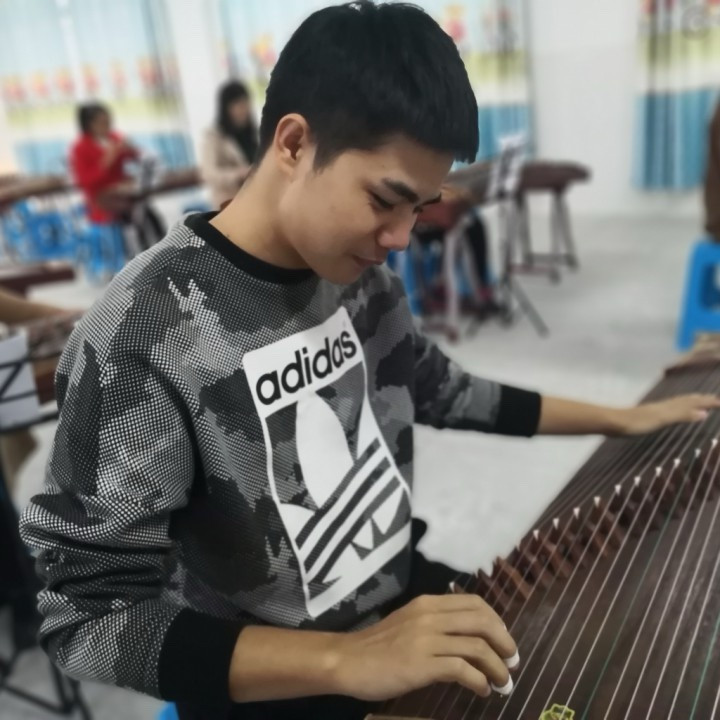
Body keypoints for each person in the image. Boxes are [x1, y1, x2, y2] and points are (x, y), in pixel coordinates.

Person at [19, 4, 720, 720]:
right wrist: (349, 660)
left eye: (420, 208)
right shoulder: (143, 330)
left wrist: (623, 418)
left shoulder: (359, 278)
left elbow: (445, 389)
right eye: (386, 200)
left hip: (396, 591)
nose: (402, 238)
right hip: (276, 679)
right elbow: (86, 619)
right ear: (294, 143)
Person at [70, 103, 165, 267]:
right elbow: (85, 181)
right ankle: (138, 255)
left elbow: (136, 157)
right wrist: (107, 160)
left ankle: (159, 249)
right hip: (100, 198)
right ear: (90, 124)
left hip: (122, 192)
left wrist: (132, 149)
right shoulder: (80, 147)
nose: (108, 126)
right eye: (103, 122)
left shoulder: (113, 137)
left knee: (145, 210)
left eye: (109, 121)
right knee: (134, 214)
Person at [201, 80, 258, 209]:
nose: (244, 109)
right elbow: (209, 174)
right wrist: (239, 174)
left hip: (255, 199)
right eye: (238, 104)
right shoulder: (213, 136)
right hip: (229, 203)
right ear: (226, 108)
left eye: (246, 103)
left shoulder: (252, 132)